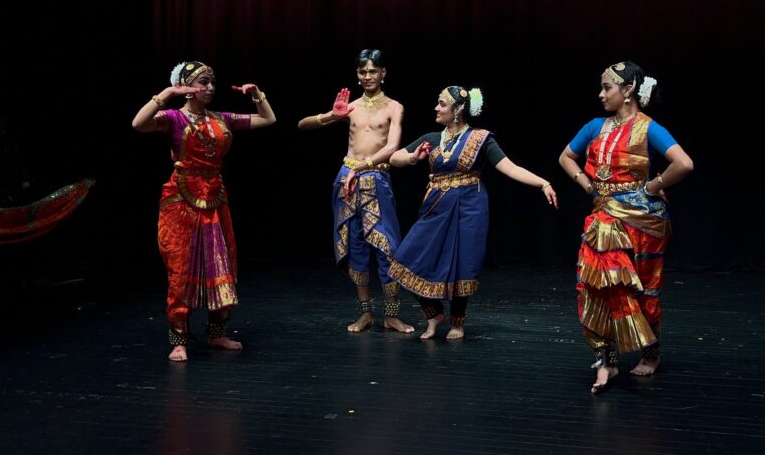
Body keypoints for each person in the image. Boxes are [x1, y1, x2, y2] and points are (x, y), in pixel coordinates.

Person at [558, 60, 693, 393]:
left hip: (642, 220)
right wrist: (585, 183)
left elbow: (684, 163)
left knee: (643, 288)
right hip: (603, 218)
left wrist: (652, 186)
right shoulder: (594, 127)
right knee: (595, 285)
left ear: (628, 90)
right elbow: (565, 157)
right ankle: (607, 362)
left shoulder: (648, 128)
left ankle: (650, 354)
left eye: (607, 87)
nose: (601, 94)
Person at [131, 61, 276, 362]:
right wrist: (168, 92)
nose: (210, 88)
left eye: (212, 82)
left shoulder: (220, 118)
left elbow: (268, 120)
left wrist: (257, 95)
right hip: (181, 199)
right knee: (181, 267)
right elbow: (138, 124)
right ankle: (179, 339)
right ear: (187, 87)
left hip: (214, 197)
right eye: (203, 82)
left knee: (222, 263)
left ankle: (217, 332)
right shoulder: (173, 118)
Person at [388, 86, 558, 340]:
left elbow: (510, 167)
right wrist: (414, 157)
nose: (436, 108)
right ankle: (433, 313)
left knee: (462, 262)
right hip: (436, 206)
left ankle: (457, 322)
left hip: (470, 206)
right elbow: (394, 159)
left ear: (458, 109)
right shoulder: (432, 139)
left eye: (442, 104)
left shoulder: (481, 139)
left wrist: (542, 182)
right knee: (405, 259)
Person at [296, 49, 414, 334]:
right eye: (363, 72)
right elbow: (302, 125)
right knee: (355, 247)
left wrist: (361, 169)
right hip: (346, 179)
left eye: (373, 71)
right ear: (357, 75)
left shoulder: (394, 107)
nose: (368, 76)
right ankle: (365, 314)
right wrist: (330, 116)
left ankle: (391, 315)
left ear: (384, 73)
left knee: (387, 248)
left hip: (375, 178)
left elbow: (391, 149)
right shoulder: (351, 107)